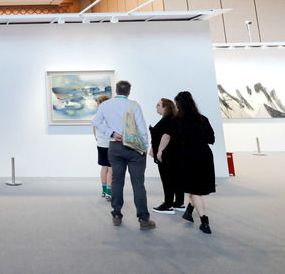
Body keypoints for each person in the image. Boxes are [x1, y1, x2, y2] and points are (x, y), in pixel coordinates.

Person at [92, 80, 155, 230]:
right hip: (134, 148)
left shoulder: (105, 105)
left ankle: (116, 215)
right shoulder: (134, 105)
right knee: (138, 183)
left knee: (117, 181)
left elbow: (96, 123)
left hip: (115, 147)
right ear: (129, 91)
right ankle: (143, 219)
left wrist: (111, 133)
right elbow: (142, 129)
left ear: (116, 90)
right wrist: (144, 148)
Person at [164, 91, 215, 234]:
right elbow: (211, 139)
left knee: (196, 191)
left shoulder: (176, 121)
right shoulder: (203, 119)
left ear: (179, 104)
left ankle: (204, 222)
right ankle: (188, 211)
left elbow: (172, 140)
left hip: (188, 157)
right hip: (204, 155)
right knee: (195, 188)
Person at [149, 98, 185, 214]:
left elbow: (166, 136)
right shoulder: (173, 119)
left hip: (167, 154)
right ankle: (179, 203)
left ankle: (168, 204)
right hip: (173, 154)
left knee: (167, 179)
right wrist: (153, 149)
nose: (156, 107)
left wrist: (159, 151)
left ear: (166, 107)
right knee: (175, 178)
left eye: (158, 105)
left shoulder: (167, 120)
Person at [92, 95, 112, 201]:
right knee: (111, 169)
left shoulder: (95, 117)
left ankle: (104, 191)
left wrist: (99, 140)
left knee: (104, 168)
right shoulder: (110, 117)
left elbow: (95, 133)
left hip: (100, 145)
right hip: (110, 145)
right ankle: (109, 192)